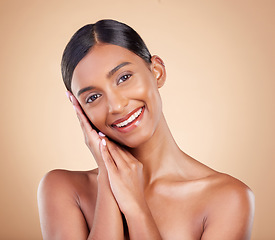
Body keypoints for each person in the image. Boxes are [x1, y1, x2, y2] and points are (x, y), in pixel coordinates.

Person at [37, 19, 255, 240]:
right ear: (80, 111)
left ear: (157, 71)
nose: (116, 106)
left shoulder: (227, 199)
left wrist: (136, 208)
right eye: (93, 97)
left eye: (124, 77)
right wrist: (107, 180)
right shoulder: (62, 189)